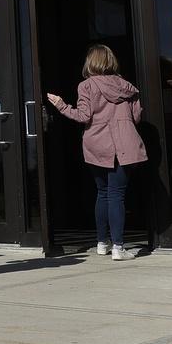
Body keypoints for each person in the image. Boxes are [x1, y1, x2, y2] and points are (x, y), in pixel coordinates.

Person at [47, 45, 148, 261]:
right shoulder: (127, 87)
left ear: (90, 63)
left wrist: (61, 106)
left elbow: (83, 116)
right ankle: (119, 247)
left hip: (98, 143)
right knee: (116, 195)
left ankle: (103, 243)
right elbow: (137, 117)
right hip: (125, 142)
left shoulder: (86, 86)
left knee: (103, 193)